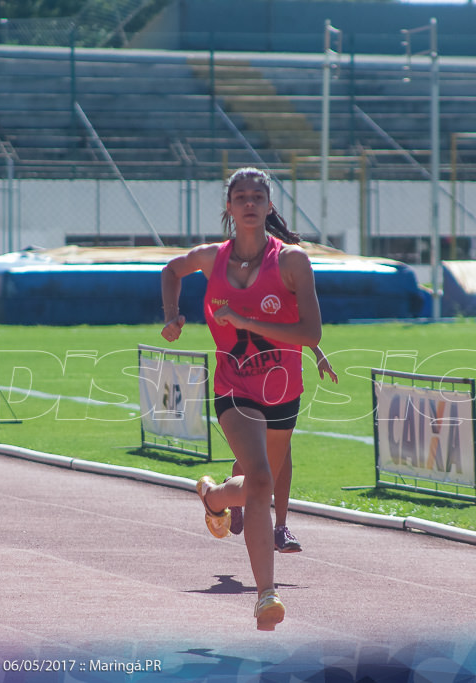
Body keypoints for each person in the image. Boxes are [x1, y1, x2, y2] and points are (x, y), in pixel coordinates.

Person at [160, 167, 323, 631]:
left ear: (269, 206)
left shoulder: (292, 262)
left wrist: (248, 324)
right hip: (234, 388)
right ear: (228, 208)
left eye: (258, 196)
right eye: (241, 197)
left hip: (283, 389)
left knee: (256, 486)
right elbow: (171, 271)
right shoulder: (212, 260)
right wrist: (173, 317)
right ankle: (265, 596)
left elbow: (310, 331)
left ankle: (213, 496)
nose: (249, 203)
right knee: (261, 478)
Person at [227, 347, 337, 552]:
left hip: (285, 378)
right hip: (250, 379)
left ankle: (280, 528)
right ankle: (233, 485)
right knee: (259, 452)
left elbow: (301, 322)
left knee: (283, 449)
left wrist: (318, 353)